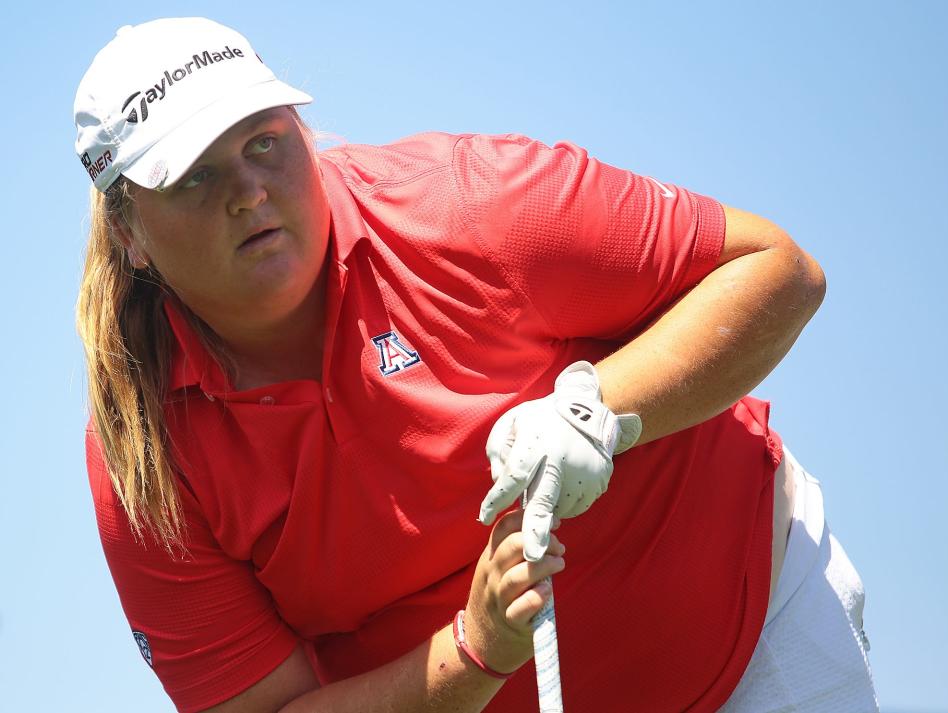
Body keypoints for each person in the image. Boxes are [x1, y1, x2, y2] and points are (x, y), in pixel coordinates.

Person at [75, 17, 878, 713]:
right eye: (195, 176)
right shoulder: (141, 458)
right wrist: (473, 649)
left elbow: (778, 271)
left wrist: (599, 407)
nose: (249, 192)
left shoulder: (470, 202)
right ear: (130, 235)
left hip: (758, 635)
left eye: (265, 143)